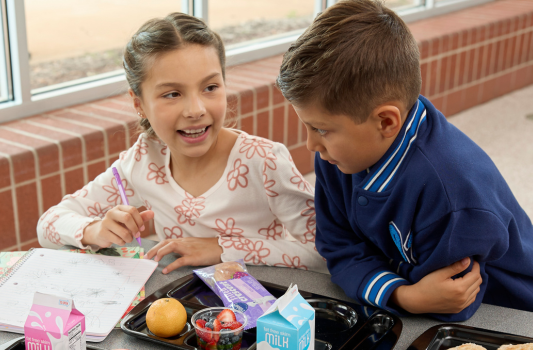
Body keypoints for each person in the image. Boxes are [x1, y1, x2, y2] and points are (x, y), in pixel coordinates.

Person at [276, 0, 533, 321]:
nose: (311, 144)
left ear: (386, 122)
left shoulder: (452, 194)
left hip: (508, 313)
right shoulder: (336, 155)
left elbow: (452, 301)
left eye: (321, 129)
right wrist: (404, 295)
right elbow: (337, 247)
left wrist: (403, 294)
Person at [36, 13, 327, 274]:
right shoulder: (142, 160)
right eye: (172, 94)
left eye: (210, 87)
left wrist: (223, 248)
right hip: (177, 313)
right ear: (139, 104)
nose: (195, 109)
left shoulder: (264, 162)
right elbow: (48, 225)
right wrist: (94, 229)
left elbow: (327, 255)